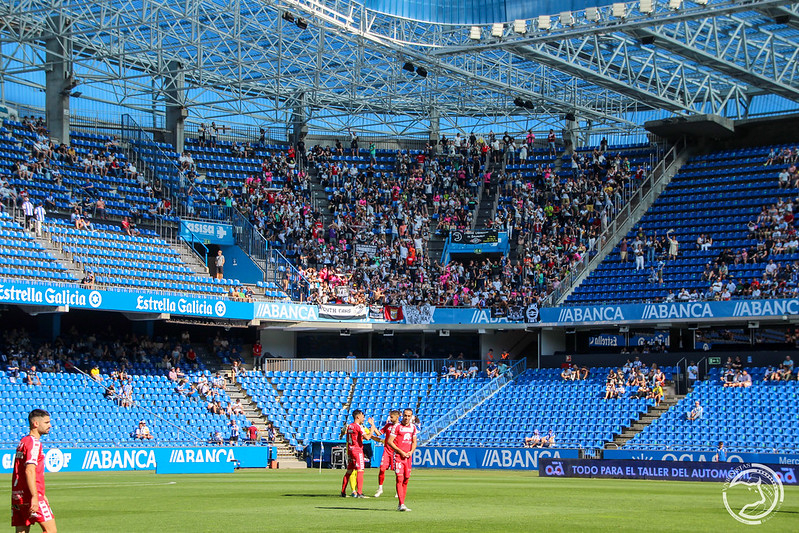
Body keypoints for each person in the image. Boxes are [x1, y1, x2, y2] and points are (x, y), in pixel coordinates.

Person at [11, 409, 57, 533]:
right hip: (30, 495)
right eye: (47, 422)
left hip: (17, 496)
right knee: (51, 531)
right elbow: (29, 471)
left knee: (21, 531)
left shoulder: (23, 441)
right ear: (36, 424)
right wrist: (35, 496)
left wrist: (42, 494)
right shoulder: (34, 443)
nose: (50, 425)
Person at [341, 410, 376, 498]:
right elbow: (368, 437)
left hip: (350, 450)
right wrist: (372, 428)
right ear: (358, 416)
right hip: (357, 450)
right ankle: (359, 492)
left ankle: (343, 492)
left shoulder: (350, 426)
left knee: (349, 471)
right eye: (362, 417)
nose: (363, 419)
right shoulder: (358, 426)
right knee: (360, 470)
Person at [387, 408, 417, 512]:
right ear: (402, 416)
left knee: (406, 479)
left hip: (408, 457)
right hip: (398, 457)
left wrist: (411, 452)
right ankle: (401, 504)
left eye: (409, 416)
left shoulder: (413, 427)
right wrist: (401, 451)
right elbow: (390, 441)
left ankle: (402, 503)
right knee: (399, 478)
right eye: (405, 415)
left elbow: (414, 442)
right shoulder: (397, 427)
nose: (407, 418)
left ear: (411, 417)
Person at [374, 410, 400, 498]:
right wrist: (373, 425)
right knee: (382, 469)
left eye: (391, 417)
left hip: (395, 451)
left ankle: (398, 491)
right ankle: (380, 489)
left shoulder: (400, 427)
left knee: (397, 472)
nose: (390, 418)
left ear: (397, 417)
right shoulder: (388, 425)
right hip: (386, 450)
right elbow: (379, 433)